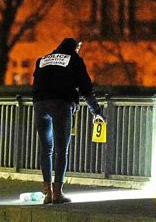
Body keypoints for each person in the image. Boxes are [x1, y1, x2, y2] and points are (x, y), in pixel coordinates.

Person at [32, 38, 105, 204]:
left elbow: (36, 82)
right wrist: (96, 111)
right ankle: (57, 194)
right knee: (61, 150)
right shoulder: (75, 60)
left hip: (39, 105)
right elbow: (86, 90)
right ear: (75, 48)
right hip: (60, 104)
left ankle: (47, 194)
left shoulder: (43, 60)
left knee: (46, 150)